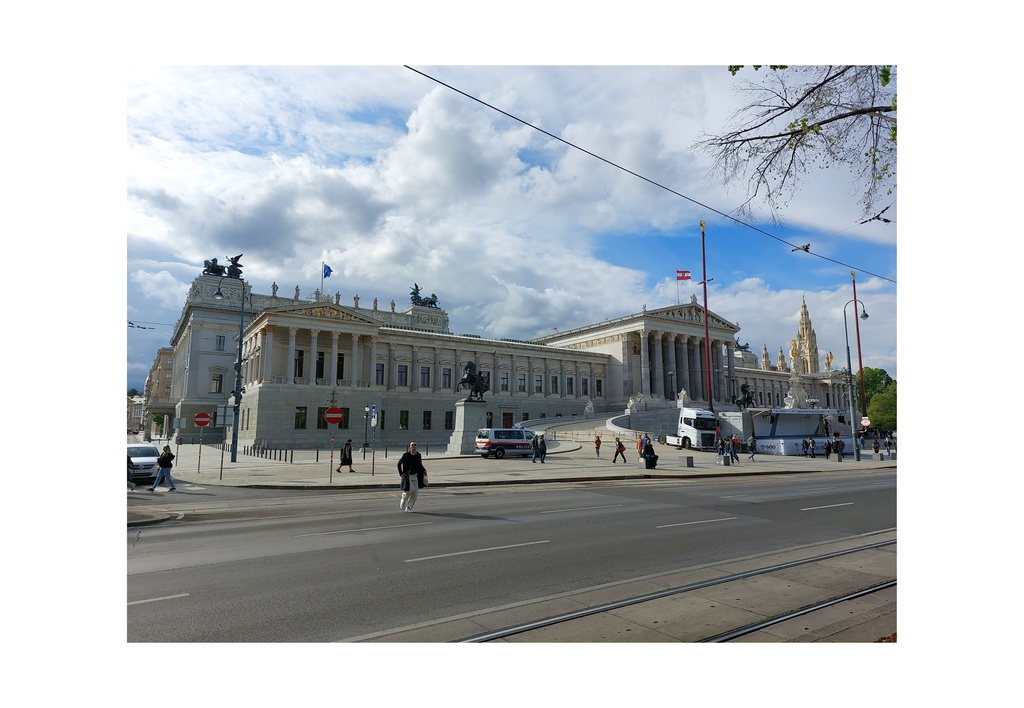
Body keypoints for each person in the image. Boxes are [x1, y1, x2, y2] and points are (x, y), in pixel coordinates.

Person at [397, 442, 426, 512]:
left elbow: (420, 465)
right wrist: (401, 474)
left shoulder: (418, 455)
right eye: (412, 445)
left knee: (415, 493)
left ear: (416, 446)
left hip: (416, 476)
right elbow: (399, 464)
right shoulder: (406, 455)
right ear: (410, 447)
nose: (413, 446)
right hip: (408, 476)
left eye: (415, 445)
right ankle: (403, 499)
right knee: (411, 489)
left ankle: (409, 507)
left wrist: (424, 470)